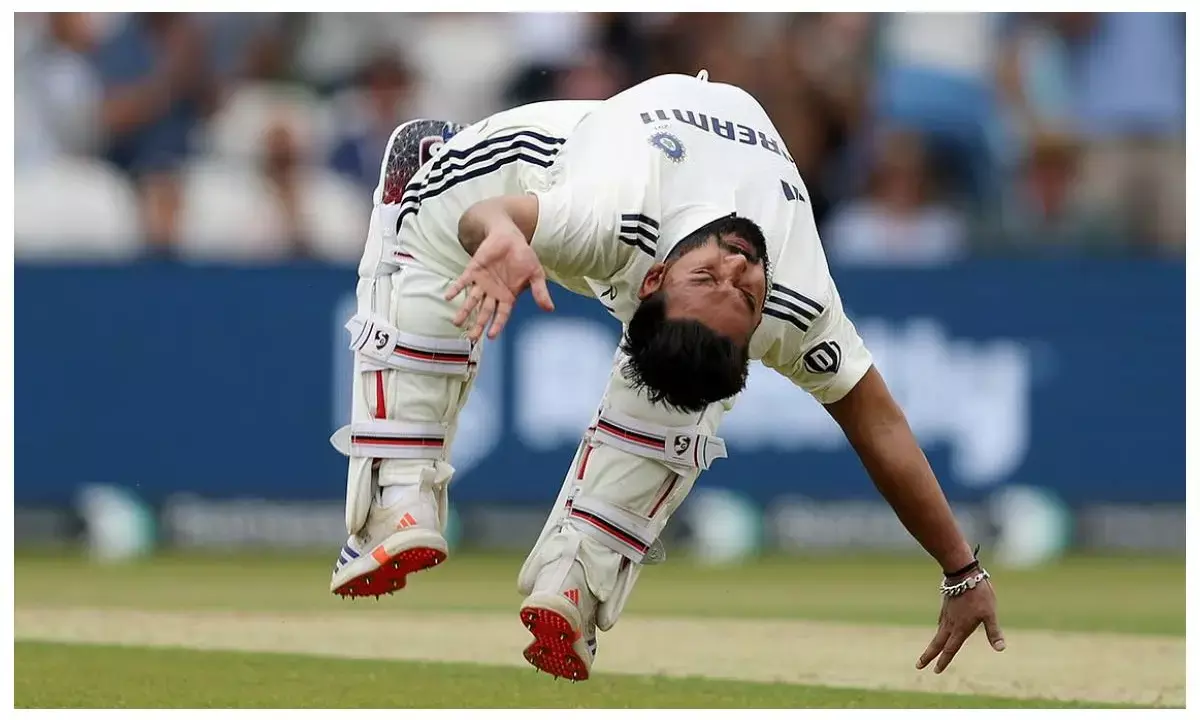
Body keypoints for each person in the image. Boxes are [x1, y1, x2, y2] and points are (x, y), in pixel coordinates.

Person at [328, 72, 1004, 681]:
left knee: (689, 387)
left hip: (647, 170)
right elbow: (490, 216)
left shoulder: (787, 311)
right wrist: (500, 232)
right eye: (715, 278)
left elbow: (878, 425)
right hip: (526, 171)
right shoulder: (614, 213)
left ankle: (572, 585)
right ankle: (401, 492)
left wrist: (961, 571)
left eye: (744, 293)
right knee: (424, 187)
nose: (739, 266)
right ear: (651, 279)